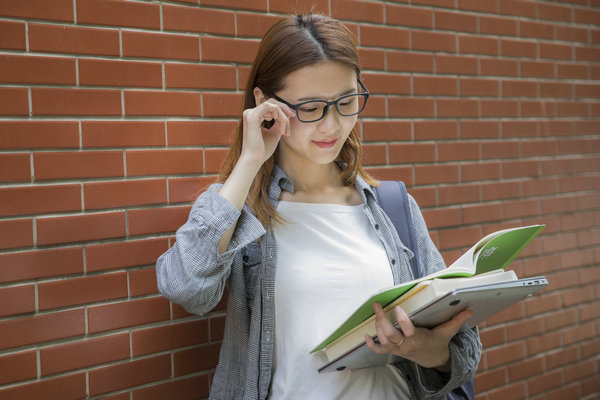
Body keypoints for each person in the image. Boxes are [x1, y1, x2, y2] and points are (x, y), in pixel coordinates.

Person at [156, 13, 481, 400]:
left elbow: (463, 349)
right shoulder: (242, 212)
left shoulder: (393, 208)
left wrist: (435, 353)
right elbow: (186, 287)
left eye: (346, 101)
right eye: (311, 108)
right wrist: (249, 162)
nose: (331, 125)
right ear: (264, 104)